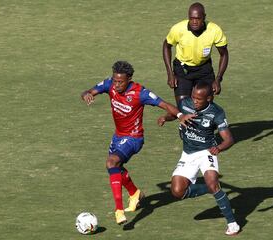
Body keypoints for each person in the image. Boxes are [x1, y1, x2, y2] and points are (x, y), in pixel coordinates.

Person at [81, 61, 195, 225]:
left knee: (111, 162)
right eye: (115, 80)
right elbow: (89, 91)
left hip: (134, 138)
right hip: (118, 137)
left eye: (120, 81)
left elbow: (164, 104)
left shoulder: (140, 93)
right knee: (114, 168)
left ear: (129, 79)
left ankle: (118, 210)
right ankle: (135, 194)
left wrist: (180, 116)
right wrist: (86, 94)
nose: (117, 84)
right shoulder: (109, 84)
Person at [157, 82, 240, 236]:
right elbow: (176, 114)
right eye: (193, 97)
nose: (194, 101)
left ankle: (232, 223)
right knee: (177, 191)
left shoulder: (216, 112)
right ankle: (210, 189)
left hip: (206, 152)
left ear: (209, 98)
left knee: (213, 182)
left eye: (199, 99)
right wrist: (165, 118)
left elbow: (229, 139)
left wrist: (219, 148)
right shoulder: (185, 103)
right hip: (188, 154)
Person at [163, 2, 229, 105]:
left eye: (198, 19)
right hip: (183, 69)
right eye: (191, 18)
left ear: (204, 17)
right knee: (184, 106)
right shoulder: (178, 29)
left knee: (205, 104)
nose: (194, 22)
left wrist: (218, 79)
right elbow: (166, 46)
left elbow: (224, 54)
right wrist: (170, 73)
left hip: (204, 69)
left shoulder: (214, 30)